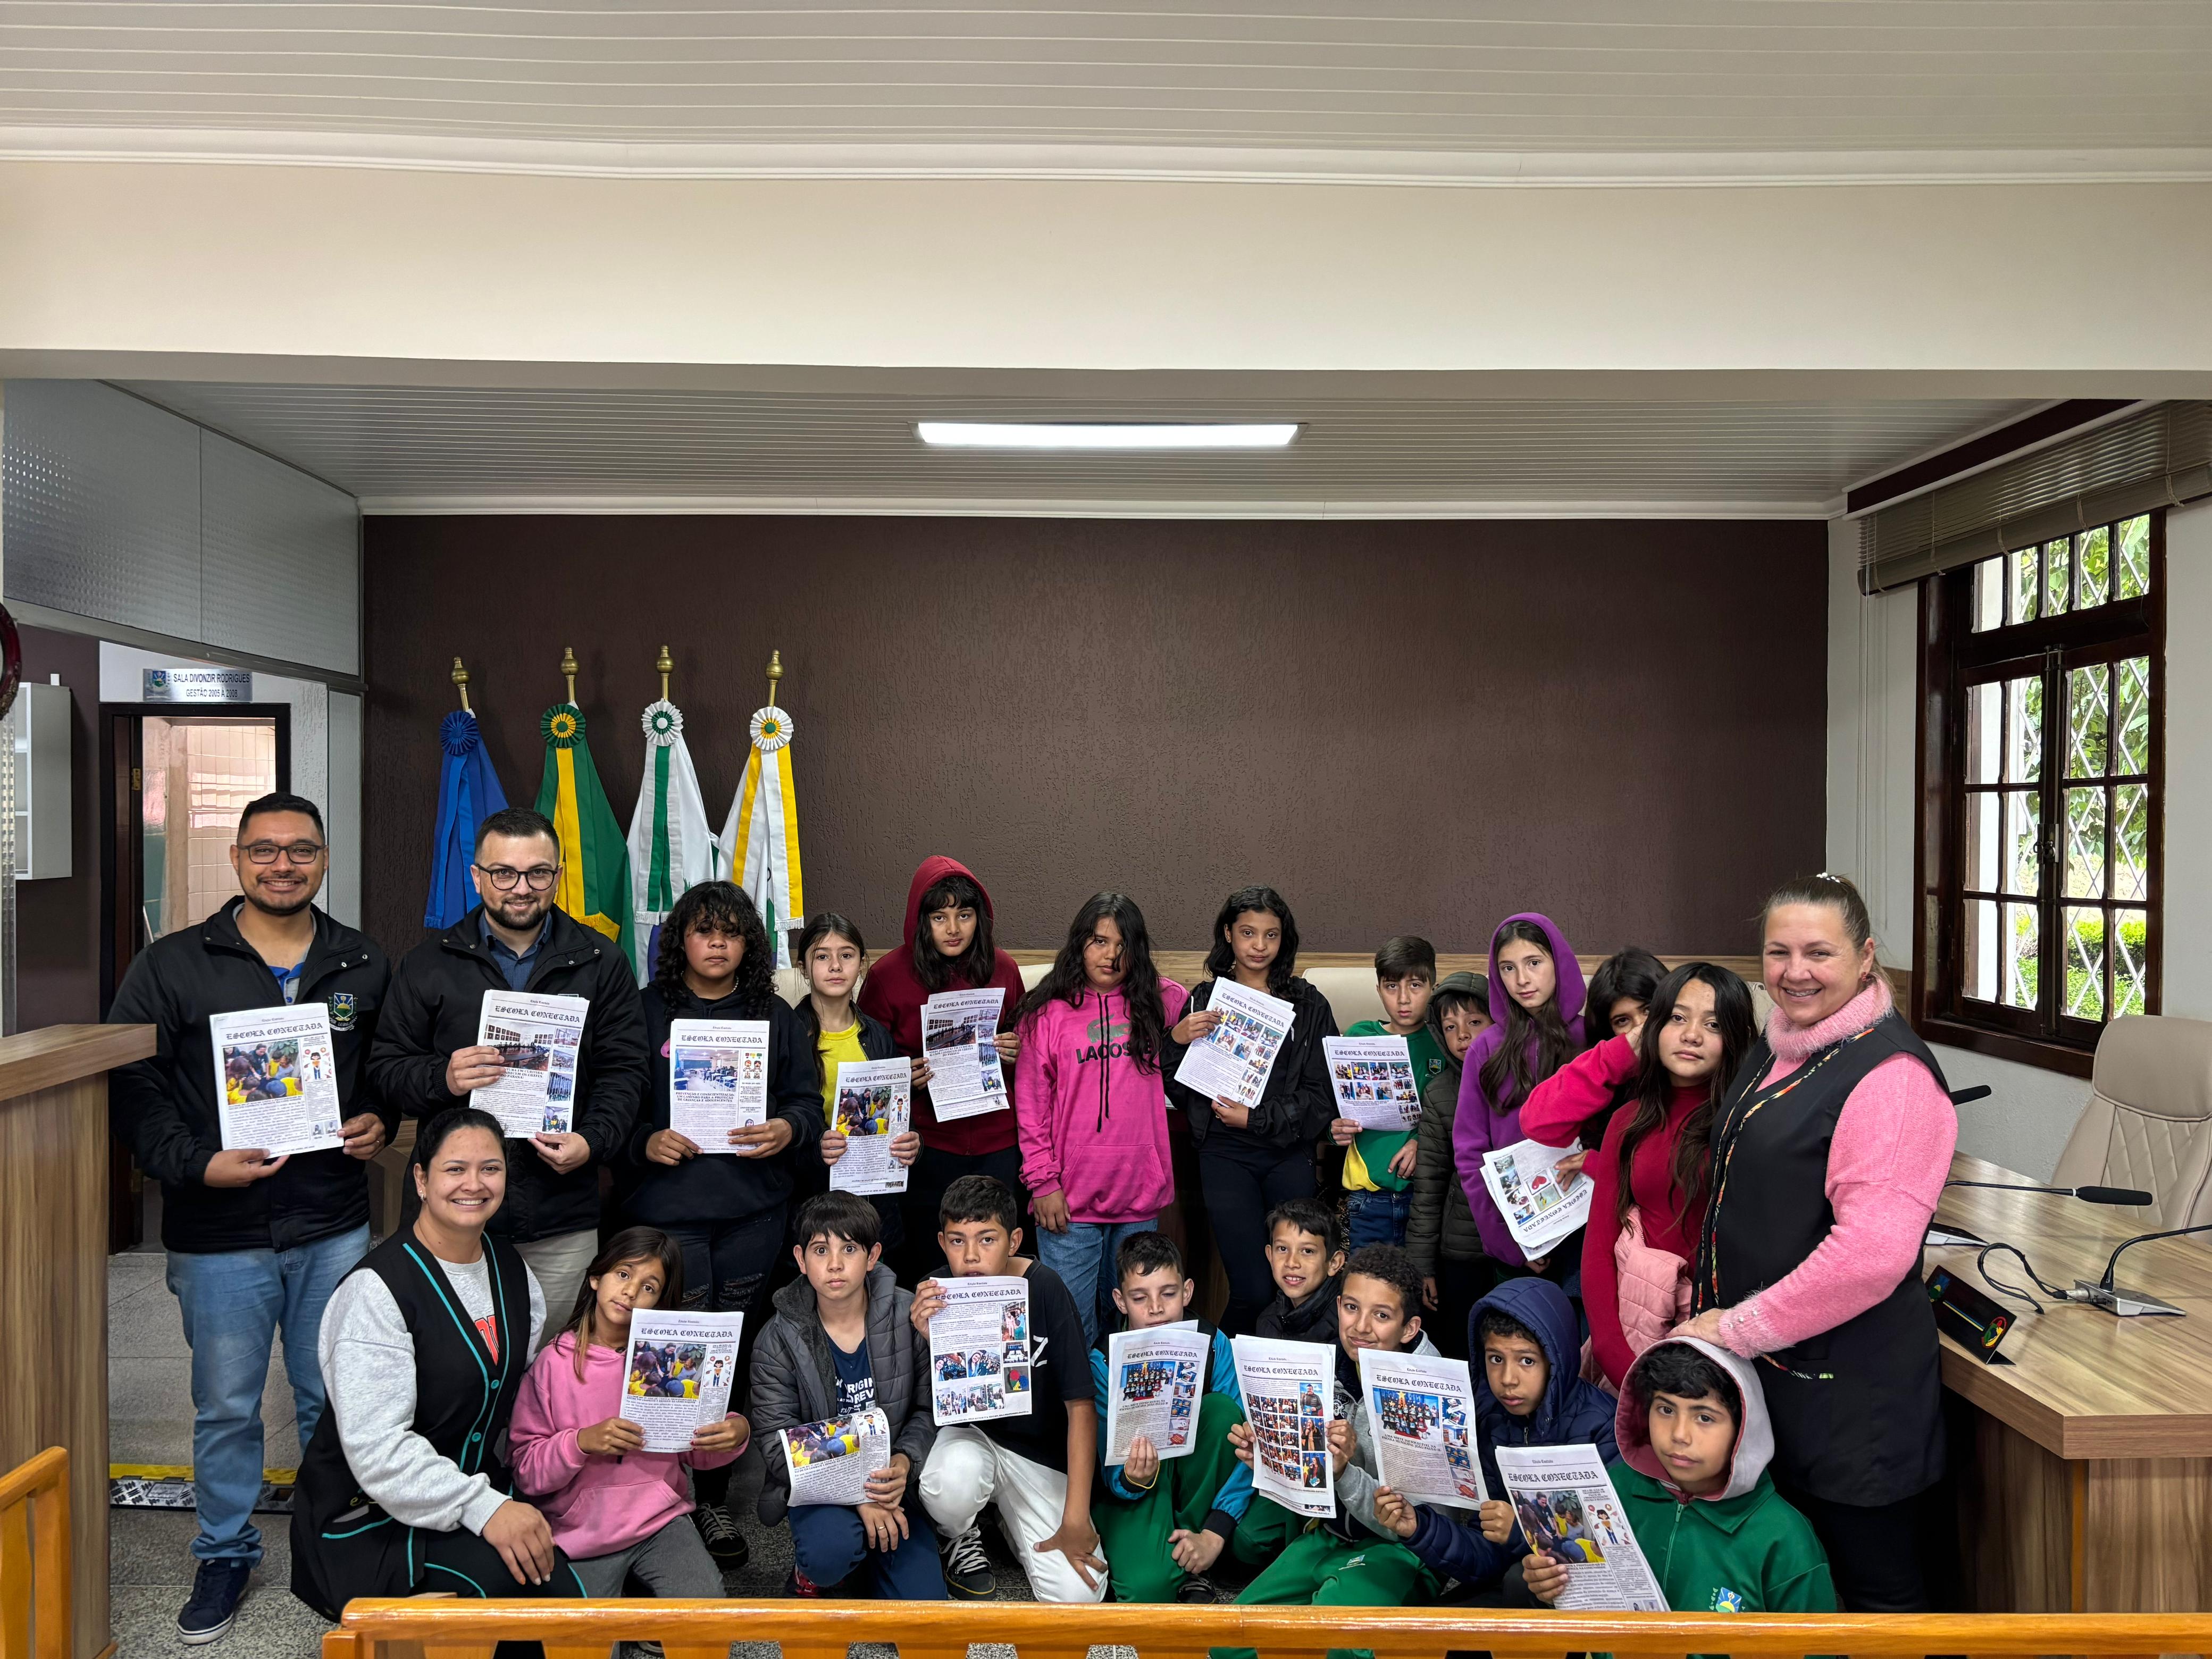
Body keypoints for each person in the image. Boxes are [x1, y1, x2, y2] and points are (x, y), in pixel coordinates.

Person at [107, 791, 391, 1645]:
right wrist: (194, 1162)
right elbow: (133, 1083)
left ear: (325, 859)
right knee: (226, 1404)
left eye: (300, 850)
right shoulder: (173, 964)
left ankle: (330, 1539)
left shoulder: (361, 960)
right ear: (236, 859)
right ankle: (225, 1549)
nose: (282, 865)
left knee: (331, 1395)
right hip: (217, 1229)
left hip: (332, 1220)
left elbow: (384, 1067)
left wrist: (377, 1117)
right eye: (264, 850)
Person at [1673, 873, 1957, 1612]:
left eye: (1818, 953)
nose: (1795, 972)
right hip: (1778, 1384)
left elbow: (1870, 1256)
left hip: (1853, 1412)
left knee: (1871, 1606)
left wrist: (1735, 1325)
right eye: (1778, 952)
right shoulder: (1782, 1046)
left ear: (1865, 958)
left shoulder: (1892, 1077)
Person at [291, 1108, 586, 1619]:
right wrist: (488, 1510)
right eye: (455, 1169)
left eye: (490, 1169)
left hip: (467, 1486)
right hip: (371, 1514)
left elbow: (527, 1387)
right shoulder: (375, 1292)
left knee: (567, 1590)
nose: (474, 1184)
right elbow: (379, 1451)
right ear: (422, 1180)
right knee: (526, 1600)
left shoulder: (509, 1266)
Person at [368, 806, 649, 1333]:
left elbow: (625, 1070)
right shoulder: (429, 962)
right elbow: (386, 1069)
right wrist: (443, 1078)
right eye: (503, 873)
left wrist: (592, 1141)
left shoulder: (601, 961)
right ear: (477, 877)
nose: (521, 888)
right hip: (454, 1211)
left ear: (557, 876)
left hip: (560, 1211)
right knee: (456, 1362)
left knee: (551, 1365)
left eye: (537, 872)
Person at [622, 880, 822, 1563]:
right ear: (679, 940)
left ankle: (709, 1505)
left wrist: (786, 1127)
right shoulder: (644, 1012)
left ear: (748, 945)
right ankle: (656, 1498)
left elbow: (808, 1102)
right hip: (667, 1217)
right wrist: (645, 1140)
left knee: (727, 1357)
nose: (716, 942)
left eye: (731, 932)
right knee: (670, 1358)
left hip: (751, 1215)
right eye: (703, 930)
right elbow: (610, 1104)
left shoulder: (775, 1016)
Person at [1520, 963, 1753, 1389]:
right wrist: (1617, 1357)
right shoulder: (1630, 1119)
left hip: (1723, 1335)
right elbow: (1598, 1252)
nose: (1691, 1035)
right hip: (1635, 1327)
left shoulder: (1748, 1120)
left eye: (1713, 1023)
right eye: (1677, 1018)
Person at [1217, 1245, 1443, 1653]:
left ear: (1409, 1329)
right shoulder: (1327, 1369)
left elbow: (1416, 1523)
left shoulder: (1428, 1392)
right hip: (1330, 1535)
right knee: (1231, 1641)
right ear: (1338, 1305)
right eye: (1352, 1308)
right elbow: (1310, 1484)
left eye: (1382, 1315)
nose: (1361, 1326)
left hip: (1399, 1552)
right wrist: (1270, 1456)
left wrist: (1345, 1472)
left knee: (1337, 1637)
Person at [1516, 1339, 1836, 1619]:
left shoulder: (1784, 1538)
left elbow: (1813, 1649)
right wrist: (1551, 1589)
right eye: (1666, 1410)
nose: (1679, 1435)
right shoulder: (1613, 1494)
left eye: (1705, 1417)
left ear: (1743, 1428)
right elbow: (1586, 1607)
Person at [509, 1227, 747, 1597]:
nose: (632, 1292)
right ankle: (639, 1612)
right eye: (623, 1274)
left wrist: (735, 1432)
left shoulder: (671, 1361)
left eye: (649, 1287)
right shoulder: (552, 1364)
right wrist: (580, 1443)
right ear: (595, 1277)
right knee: (589, 1644)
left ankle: (646, 1611)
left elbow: (694, 1452)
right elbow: (525, 1470)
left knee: (705, 1614)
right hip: (581, 1532)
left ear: (661, 1302)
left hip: (660, 1519)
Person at [911, 1175, 1105, 1603]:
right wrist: (927, 1341)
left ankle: (1010, 1524)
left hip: (1037, 1453)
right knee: (950, 1485)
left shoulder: (1047, 1287)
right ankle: (959, 1532)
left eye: (987, 1239)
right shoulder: (935, 1293)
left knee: (1081, 1595)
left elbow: (1081, 1406)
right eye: (958, 1241)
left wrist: (1076, 1516)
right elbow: (919, 1405)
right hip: (972, 1438)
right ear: (942, 1242)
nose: (972, 1256)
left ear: (1015, 1240)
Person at [1013, 892, 1190, 1346]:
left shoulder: (1164, 1002)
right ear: (1080, 944)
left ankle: (1125, 1419)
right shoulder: (1046, 1013)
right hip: (1069, 1201)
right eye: (1098, 941)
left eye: (1123, 944)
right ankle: (1080, 1418)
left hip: (1139, 1194)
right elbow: (1032, 1109)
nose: (1111, 955)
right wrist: (1043, 1183)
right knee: (1071, 1330)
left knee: (1134, 1332)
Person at [1369, 1276, 1618, 1596]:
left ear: (1557, 1360)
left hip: (1587, 1600)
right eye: (1495, 1359)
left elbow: (1613, 1556)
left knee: (1517, 1582)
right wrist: (1417, 1526)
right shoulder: (1488, 1418)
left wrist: (1522, 1534)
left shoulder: (1603, 1426)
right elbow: (1486, 1558)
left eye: (1526, 1360)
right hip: (1514, 1585)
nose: (1507, 1380)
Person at [751, 1192, 945, 1600]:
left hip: (891, 1485)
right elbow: (775, 1445)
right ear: (802, 1260)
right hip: (818, 1487)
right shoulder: (777, 1338)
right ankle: (825, 1569)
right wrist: (856, 1496)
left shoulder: (907, 1315)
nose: (835, 1264)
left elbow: (929, 1410)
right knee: (828, 1554)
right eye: (821, 1250)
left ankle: (869, 1562)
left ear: (873, 1256)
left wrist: (904, 1461)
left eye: (850, 1248)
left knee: (926, 1611)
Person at [1165, 886, 1338, 1335]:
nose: (1259, 946)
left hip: (1286, 1151)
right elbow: (1176, 1086)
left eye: (1271, 935)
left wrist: (1256, 1117)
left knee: (1299, 1287)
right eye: (1247, 933)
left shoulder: (1310, 1003)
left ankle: (1291, 1383)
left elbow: (1324, 1094)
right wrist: (1176, 1040)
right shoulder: (1204, 999)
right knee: (1253, 1289)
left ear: (1284, 940)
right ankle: (1219, 1381)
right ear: (1229, 934)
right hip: (1224, 1154)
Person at [856, 857, 1028, 1275]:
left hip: (997, 1139)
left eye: (964, 916)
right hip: (928, 1143)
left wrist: (1016, 1047)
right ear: (921, 921)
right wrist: (903, 1074)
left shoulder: (1003, 967)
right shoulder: (887, 975)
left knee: (995, 1259)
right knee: (931, 1261)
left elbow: (1028, 1044)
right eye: (939, 916)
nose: (953, 929)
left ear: (979, 919)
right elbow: (868, 1063)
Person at [1088, 1232, 1251, 1604]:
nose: (1156, 1309)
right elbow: (1100, 1458)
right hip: (1137, 1486)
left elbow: (1245, 1442)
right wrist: (1131, 1478)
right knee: (1147, 1590)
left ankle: (1195, 1555)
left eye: (1168, 1293)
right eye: (1139, 1297)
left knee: (1224, 1412)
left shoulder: (1215, 1343)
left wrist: (1217, 1529)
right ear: (1120, 1301)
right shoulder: (1102, 1359)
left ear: (1188, 1292)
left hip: (1196, 1478)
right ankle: (1164, 1558)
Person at [1451, 914, 1587, 1284]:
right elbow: (1469, 1151)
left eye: (1534, 963)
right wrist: (1506, 1240)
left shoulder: (1591, 1036)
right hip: (1518, 1231)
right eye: (1508, 968)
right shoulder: (1486, 1047)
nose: (1522, 980)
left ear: (1558, 963)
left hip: (1587, 1225)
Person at [795, 912, 919, 1253]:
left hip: (875, 1202)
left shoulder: (878, 1035)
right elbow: (775, 1119)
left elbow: (899, 1116)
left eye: (846, 955)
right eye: (822, 956)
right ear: (804, 968)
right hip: (813, 1200)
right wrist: (814, 1149)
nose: (835, 966)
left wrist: (911, 1143)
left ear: (862, 964)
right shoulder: (788, 1034)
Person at [1331, 936, 1443, 1252]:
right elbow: (1330, 1107)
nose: (1404, 999)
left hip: (1426, 1198)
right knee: (1366, 1291)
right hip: (1367, 1196)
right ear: (1379, 989)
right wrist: (1332, 1130)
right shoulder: (1358, 1036)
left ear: (1433, 986)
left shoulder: (1445, 1041)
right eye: (1392, 986)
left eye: (1416, 985)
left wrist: (1422, 1141)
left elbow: (1458, 1112)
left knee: (1418, 1294)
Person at [1403, 971, 1491, 1360]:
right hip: (1460, 1253)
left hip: (1521, 1249)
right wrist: (1423, 1268)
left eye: (1475, 1022)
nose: (1463, 1036)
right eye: (1451, 1027)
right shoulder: (1439, 1093)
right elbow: (1429, 1189)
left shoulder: (1524, 1078)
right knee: (1461, 1349)